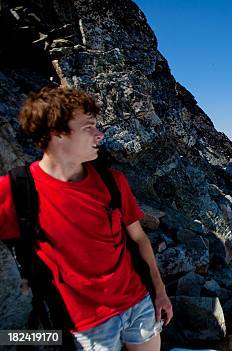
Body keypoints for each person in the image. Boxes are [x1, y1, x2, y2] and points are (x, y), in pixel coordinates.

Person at [0, 86, 173, 351]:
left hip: (137, 302)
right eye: (88, 127)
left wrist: (159, 293)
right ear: (57, 133)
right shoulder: (16, 190)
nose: (99, 134)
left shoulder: (112, 181)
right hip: (85, 323)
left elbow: (139, 239)